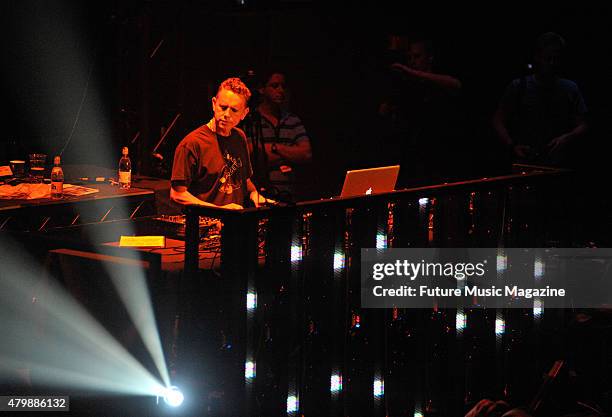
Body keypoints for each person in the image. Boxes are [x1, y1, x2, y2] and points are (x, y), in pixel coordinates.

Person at [170, 77, 272, 209]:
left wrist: (255, 194)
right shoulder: (192, 144)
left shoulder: (239, 137)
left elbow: (244, 180)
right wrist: (219, 211)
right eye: (223, 107)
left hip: (234, 224)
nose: (227, 114)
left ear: (244, 113)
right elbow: (177, 194)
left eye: (234, 110)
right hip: (204, 226)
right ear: (213, 103)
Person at [492, 32, 588, 167]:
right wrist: (512, 145)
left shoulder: (570, 88)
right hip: (525, 164)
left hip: (558, 165)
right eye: (548, 58)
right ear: (537, 57)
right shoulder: (519, 86)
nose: (552, 63)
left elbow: (583, 124)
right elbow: (498, 120)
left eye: (556, 59)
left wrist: (567, 138)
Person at [378, 37, 463, 186]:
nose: (412, 61)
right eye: (409, 57)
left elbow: (456, 85)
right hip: (416, 162)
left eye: (417, 56)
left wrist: (409, 72)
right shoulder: (409, 89)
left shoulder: (438, 82)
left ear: (429, 58)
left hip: (441, 159)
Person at [244, 70, 312, 202]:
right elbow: (252, 155)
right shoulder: (251, 120)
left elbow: (306, 153)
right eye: (275, 86)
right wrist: (289, 155)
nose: (281, 90)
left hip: (290, 196)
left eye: (283, 86)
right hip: (260, 196)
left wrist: (274, 148)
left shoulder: (292, 120)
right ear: (262, 89)